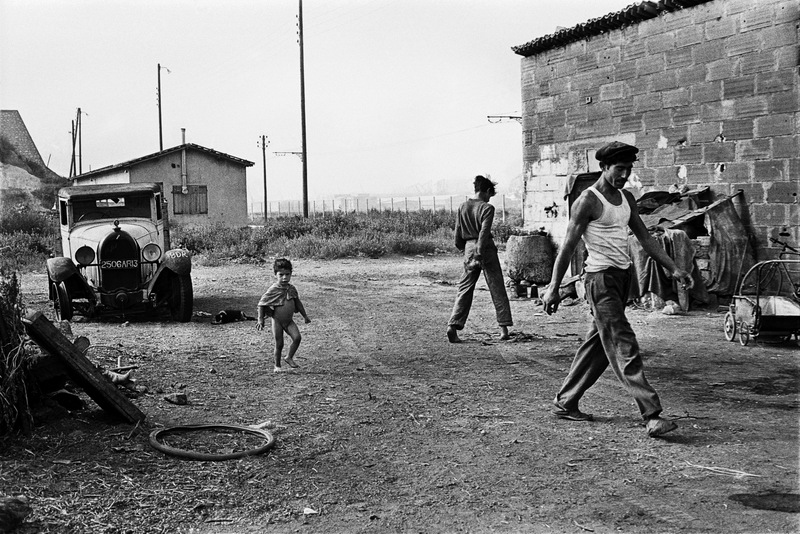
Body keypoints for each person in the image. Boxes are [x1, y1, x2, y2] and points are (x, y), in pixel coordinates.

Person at [541, 141, 693, 438]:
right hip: (599, 280)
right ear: (604, 167)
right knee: (623, 342)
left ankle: (566, 400)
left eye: (628, 169)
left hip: (621, 278)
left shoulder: (626, 198)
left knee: (599, 344)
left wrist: (673, 268)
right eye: (619, 169)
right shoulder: (587, 200)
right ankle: (652, 413)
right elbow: (568, 246)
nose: (624, 175)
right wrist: (553, 287)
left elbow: (646, 238)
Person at [447, 175, 513, 343]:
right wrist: (479, 252)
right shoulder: (487, 208)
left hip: (469, 247)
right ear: (488, 191)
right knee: (496, 287)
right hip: (485, 250)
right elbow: (484, 233)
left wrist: (468, 250)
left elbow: (457, 235)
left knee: (465, 288)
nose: (490, 198)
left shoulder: (463, 206)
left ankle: (453, 325)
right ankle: (504, 328)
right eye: (490, 195)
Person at [256, 258, 311, 373]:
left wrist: (305, 316)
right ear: (275, 274)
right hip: (277, 321)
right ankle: (277, 365)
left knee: (297, 338)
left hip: (289, 321)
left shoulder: (291, 289)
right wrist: (260, 320)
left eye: (287, 274)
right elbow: (262, 303)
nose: (284, 278)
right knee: (279, 344)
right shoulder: (273, 289)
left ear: (291, 274)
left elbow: (298, 302)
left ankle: (289, 357)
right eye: (281, 275)